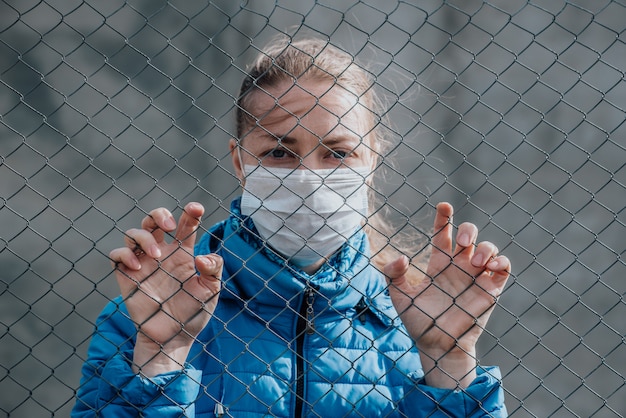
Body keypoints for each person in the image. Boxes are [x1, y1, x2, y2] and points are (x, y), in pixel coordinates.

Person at [72, 36, 511, 417]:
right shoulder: (147, 312)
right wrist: (161, 354)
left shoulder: (415, 316)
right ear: (239, 160)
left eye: (337, 153)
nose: (309, 177)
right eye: (280, 152)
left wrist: (447, 360)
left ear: (371, 160)